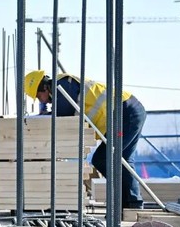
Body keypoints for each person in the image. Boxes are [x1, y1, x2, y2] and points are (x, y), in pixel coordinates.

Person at [24, 70, 146, 209]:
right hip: (128, 110)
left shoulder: (62, 86)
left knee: (103, 159)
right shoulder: (62, 87)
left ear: (44, 87)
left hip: (124, 113)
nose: (41, 100)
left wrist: (40, 117)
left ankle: (128, 202)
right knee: (122, 159)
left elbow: (63, 116)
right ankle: (131, 203)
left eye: (39, 96)